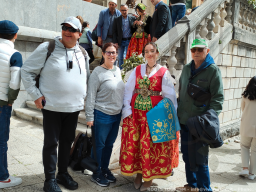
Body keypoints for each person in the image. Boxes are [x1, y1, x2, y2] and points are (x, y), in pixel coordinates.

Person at [21, 16, 89, 192]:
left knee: (67, 142)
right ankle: (49, 180)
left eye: (72, 29)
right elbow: (26, 71)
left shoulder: (83, 53)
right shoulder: (47, 48)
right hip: (51, 106)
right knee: (51, 143)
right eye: (64, 27)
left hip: (73, 108)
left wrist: (83, 98)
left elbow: (86, 78)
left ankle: (62, 173)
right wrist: (36, 95)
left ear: (79, 34)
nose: (67, 31)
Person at [120, 42, 179, 191]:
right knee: (137, 145)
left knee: (150, 147)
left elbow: (170, 96)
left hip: (153, 116)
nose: (149, 54)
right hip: (136, 115)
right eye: (146, 51)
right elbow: (128, 90)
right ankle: (138, 174)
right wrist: (127, 110)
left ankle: (149, 176)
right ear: (144, 54)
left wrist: (168, 116)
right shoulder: (137, 69)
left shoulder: (163, 72)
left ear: (157, 53)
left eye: (152, 51)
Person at [176, 38, 224, 192]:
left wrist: (208, 120)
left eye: (200, 49)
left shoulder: (212, 70)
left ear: (207, 51)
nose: (196, 52)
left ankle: (205, 188)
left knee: (200, 158)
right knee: (187, 156)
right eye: (193, 50)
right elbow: (181, 93)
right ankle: (192, 185)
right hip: (184, 122)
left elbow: (218, 99)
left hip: (200, 125)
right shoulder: (186, 69)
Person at [85, 42, 125, 187]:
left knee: (109, 145)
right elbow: (90, 95)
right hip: (101, 114)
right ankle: (96, 172)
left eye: (114, 52)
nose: (111, 55)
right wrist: (89, 117)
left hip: (115, 115)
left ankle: (104, 168)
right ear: (103, 54)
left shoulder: (118, 70)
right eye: (108, 52)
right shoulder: (97, 72)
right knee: (99, 145)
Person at [0, 20, 23, 189]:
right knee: (1, 140)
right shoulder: (14, 54)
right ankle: (3, 178)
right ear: (15, 35)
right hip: (2, 103)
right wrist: (10, 101)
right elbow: (14, 83)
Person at [239, 76, 256, 180]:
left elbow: (243, 108)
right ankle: (252, 173)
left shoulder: (246, 96)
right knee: (255, 150)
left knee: (244, 146)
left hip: (247, 125)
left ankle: (245, 168)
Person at [113, 4, 136, 68]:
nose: (124, 12)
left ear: (127, 10)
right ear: (120, 11)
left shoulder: (132, 18)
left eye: (125, 10)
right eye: (122, 10)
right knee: (120, 57)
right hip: (120, 41)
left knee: (127, 56)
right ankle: (121, 72)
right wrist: (115, 42)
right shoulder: (117, 19)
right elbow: (114, 31)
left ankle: (127, 71)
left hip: (129, 41)